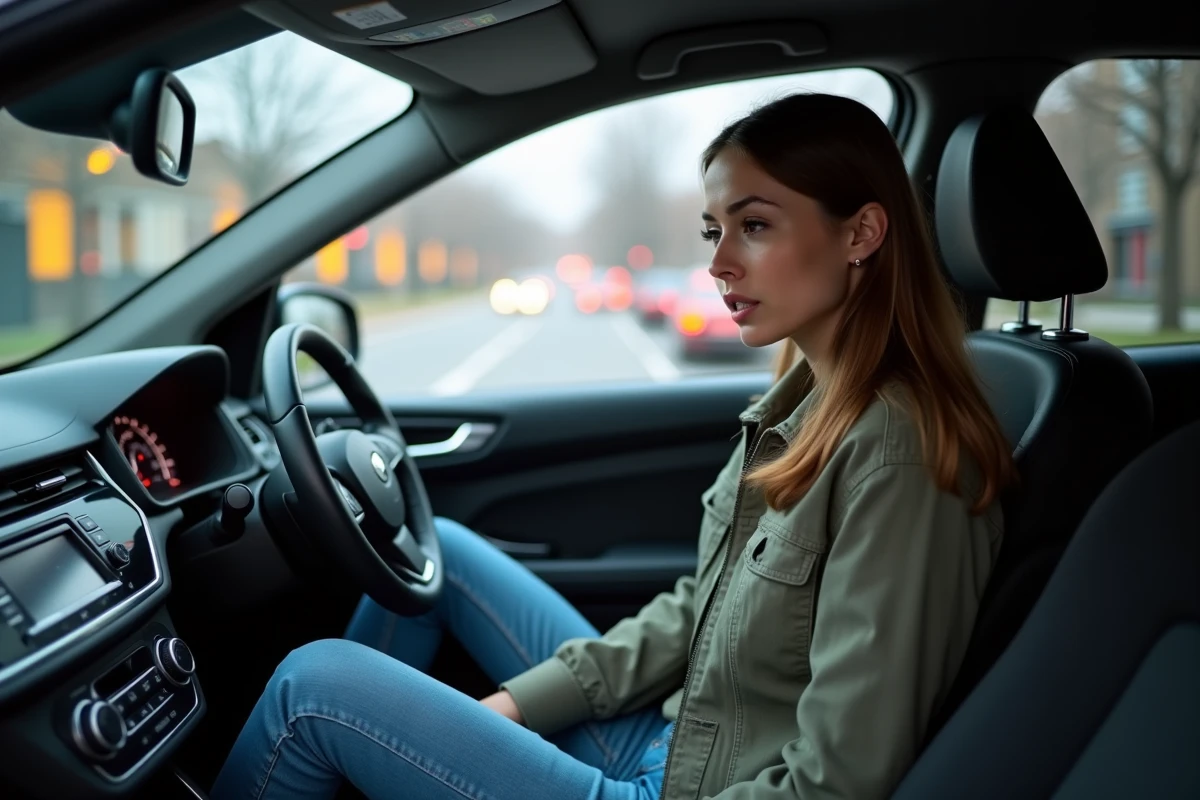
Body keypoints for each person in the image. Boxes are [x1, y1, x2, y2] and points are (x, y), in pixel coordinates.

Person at [211, 93, 1015, 800]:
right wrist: (516, 706)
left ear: (861, 233)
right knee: (441, 554)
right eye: (714, 229)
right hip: (681, 741)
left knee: (313, 688)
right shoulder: (806, 405)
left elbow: (839, 783)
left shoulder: (898, 456)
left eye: (756, 226)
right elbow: (700, 615)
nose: (720, 263)